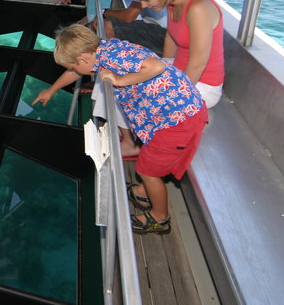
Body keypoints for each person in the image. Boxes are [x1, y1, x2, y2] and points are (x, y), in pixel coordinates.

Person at [33, 24, 208, 235]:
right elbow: (74, 72)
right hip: (171, 114)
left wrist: (119, 80)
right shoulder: (103, 49)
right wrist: (51, 90)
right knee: (149, 165)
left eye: (75, 66)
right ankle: (144, 191)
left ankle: (160, 218)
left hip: (177, 121)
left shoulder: (113, 58)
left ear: (83, 59)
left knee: (146, 170)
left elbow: (156, 67)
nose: (75, 71)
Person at [127, 0, 224, 108]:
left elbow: (198, 65)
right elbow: (171, 37)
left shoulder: (198, 8)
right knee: (125, 78)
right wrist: (163, 65)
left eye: (147, 0)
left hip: (202, 84)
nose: (143, 5)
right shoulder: (171, 1)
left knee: (139, 101)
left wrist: (173, 96)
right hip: (179, 70)